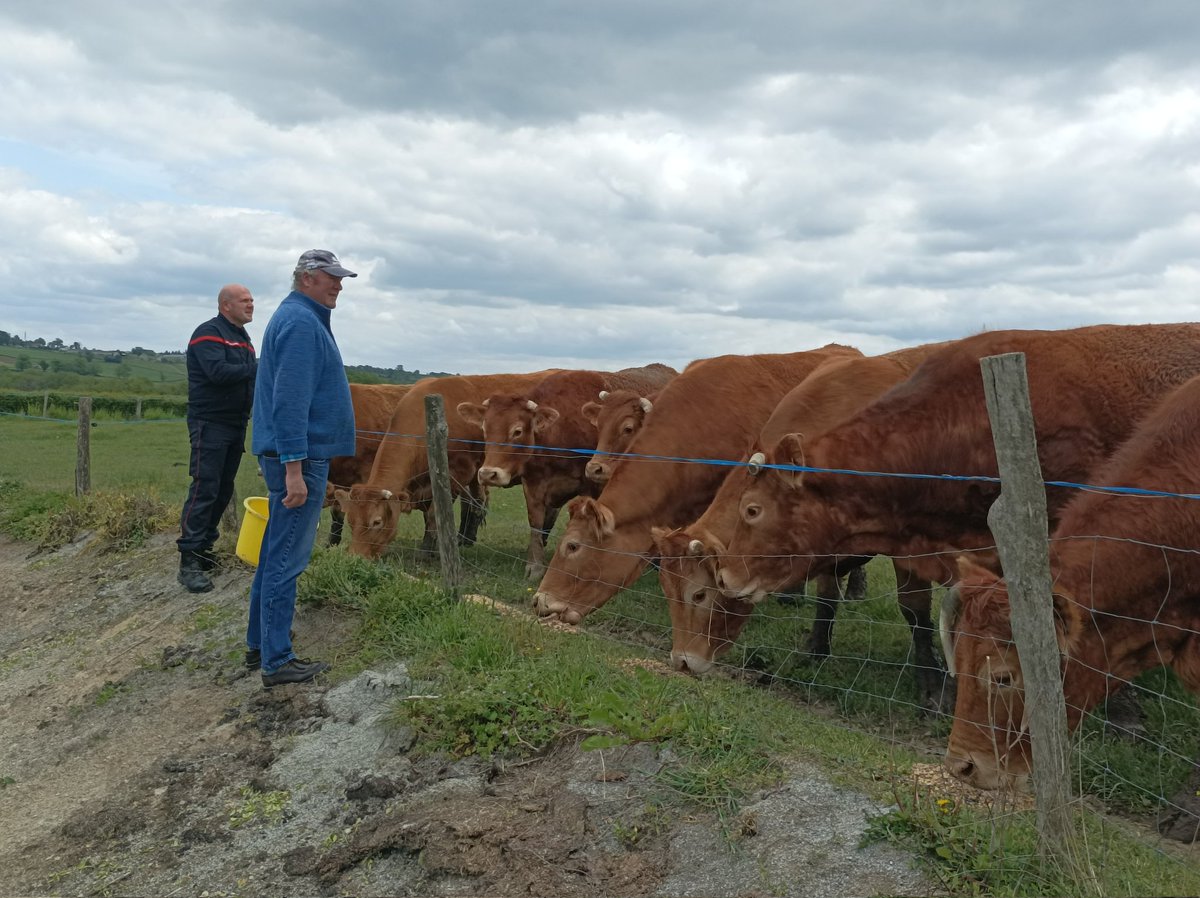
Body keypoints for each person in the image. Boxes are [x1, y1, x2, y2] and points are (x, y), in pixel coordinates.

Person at [248, 249, 358, 688]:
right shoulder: (300, 323)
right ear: (307, 277)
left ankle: (260, 644)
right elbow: (289, 402)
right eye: (331, 277)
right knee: (287, 559)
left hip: (295, 454)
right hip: (301, 457)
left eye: (341, 277)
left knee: (275, 553)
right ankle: (277, 660)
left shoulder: (298, 318)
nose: (339, 285)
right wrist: (294, 468)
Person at [178, 284, 257, 593]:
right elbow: (219, 372)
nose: (251, 305)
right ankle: (189, 561)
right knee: (205, 487)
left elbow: (241, 373)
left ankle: (204, 549)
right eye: (244, 301)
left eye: (252, 300)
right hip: (210, 423)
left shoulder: (242, 338)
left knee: (223, 488)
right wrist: (259, 368)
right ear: (226, 305)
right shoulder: (208, 333)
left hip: (235, 423)